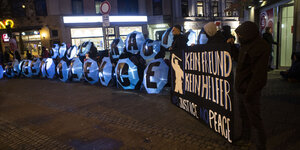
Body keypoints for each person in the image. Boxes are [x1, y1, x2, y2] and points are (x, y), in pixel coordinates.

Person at [229, 21, 269, 150]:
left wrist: (249, 93)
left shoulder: (261, 47)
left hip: (249, 91)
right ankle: (245, 138)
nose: (239, 37)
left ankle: (261, 144)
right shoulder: (246, 44)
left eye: (240, 34)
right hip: (242, 89)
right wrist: (231, 47)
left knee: (254, 118)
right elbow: (238, 59)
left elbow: (259, 75)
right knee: (244, 116)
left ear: (248, 33)